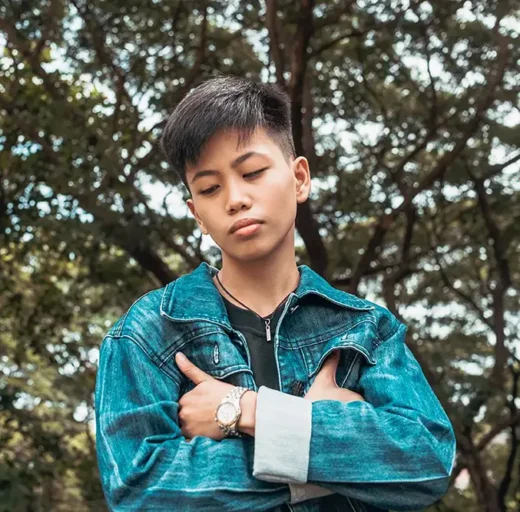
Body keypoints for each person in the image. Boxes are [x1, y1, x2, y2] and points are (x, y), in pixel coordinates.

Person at [93, 76, 455, 511]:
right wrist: (329, 456)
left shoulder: (365, 328)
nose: (236, 199)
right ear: (197, 214)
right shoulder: (149, 332)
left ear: (299, 178)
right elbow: (140, 488)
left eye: (252, 172)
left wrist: (245, 411)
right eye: (210, 188)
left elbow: (426, 458)